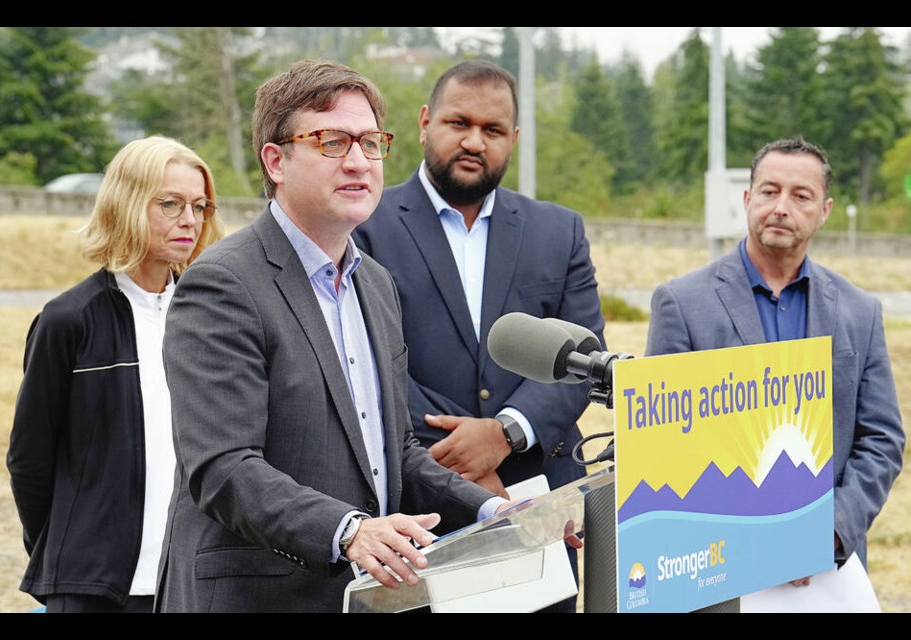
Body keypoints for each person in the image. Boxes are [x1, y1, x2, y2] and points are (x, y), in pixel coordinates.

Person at [154, 59, 510, 614]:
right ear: (275, 160)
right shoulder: (223, 283)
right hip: (259, 597)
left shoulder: (376, 284)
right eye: (331, 141)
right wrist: (349, 531)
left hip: (363, 598)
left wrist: (492, 513)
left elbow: (396, 453)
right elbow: (223, 467)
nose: (358, 162)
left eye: (370, 143)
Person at [353, 60, 607, 612]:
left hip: (538, 507)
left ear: (513, 139)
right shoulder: (365, 225)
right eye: (458, 123)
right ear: (424, 122)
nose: (474, 141)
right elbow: (364, 362)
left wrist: (505, 432)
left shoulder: (558, 231)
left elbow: (582, 357)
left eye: (492, 131)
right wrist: (467, 463)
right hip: (417, 508)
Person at [646, 137, 904, 581]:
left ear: (824, 210)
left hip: (828, 570)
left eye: (801, 195)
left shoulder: (860, 312)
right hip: (715, 566)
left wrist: (829, 532)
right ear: (748, 199)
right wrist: (757, 542)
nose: (781, 206)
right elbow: (663, 446)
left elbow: (881, 440)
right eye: (769, 191)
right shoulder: (682, 304)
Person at [6, 135, 224, 613]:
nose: (189, 219)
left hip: (191, 579)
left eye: (199, 206)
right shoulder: (69, 319)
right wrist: (67, 551)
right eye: (170, 203)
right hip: (92, 586)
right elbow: (30, 459)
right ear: (126, 203)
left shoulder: (213, 315)